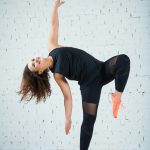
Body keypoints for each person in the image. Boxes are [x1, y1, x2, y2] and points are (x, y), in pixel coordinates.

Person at [18, 0, 130, 150]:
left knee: (123, 60)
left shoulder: (52, 47)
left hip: (101, 68)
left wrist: (55, 6)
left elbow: (54, 25)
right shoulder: (58, 74)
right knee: (89, 123)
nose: (35, 60)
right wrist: (68, 119)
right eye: (34, 64)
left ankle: (117, 97)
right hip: (90, 86)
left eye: (33, 59)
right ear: (39, 71)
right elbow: (67, 97)